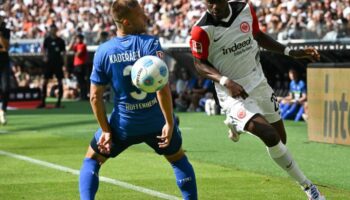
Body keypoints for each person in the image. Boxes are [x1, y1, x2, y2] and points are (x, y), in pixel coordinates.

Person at [189, 1, 324, 200]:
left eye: (216, 1)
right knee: (269, 135)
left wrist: (290, 52)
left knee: (280, 141)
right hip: (232, 92)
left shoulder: (245, 9)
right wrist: (226, 81)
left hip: (258, 82)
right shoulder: (201, 30)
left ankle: (236, 123)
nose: (213, 6)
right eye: (208, 2)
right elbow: (199, 64)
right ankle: (309, 188)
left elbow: (258, 36)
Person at [79, 1, 197, 200]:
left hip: (123, 125)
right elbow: (162, 88)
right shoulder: (150, 43)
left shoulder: (104, 51)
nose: (146, 18)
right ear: (127, 22)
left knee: (91, 160)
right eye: (141, 15)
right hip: (156, 123)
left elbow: (94, 96)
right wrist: (169, 122)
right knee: (178, 159)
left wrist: (107, 131)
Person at [39, 24, 66, 108]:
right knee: (44, 81)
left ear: (56, 30)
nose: (53, 31)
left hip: (58, 63)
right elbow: (43, 49)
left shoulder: (61, 41)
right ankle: (43, 102)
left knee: (60, 81)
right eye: (51, 29)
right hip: (49, 64)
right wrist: (44, 57)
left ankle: (58, 102)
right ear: (50, 30)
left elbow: (64, 53)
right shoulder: (47, 40)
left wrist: (65, 64)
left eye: (54, 29)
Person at [68, 34, 88, 100]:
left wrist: (75, 52)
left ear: (82, 39)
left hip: (81, 65)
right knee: (80, 81)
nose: (78, 39)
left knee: (82, 81)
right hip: (77, 65)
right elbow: (69, 49)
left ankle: (83, 96)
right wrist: (72, 40)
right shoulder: (77, 45)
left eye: (79, 38)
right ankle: (82, 96)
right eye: (77, 38)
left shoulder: (82, 45)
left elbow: (78, 54)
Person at [0, 15, 10, 125]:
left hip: (4, 62)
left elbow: (6, 47)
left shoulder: (5, 31)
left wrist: (0, 36)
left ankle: (3, 110)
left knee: (6, 87)